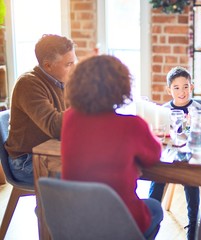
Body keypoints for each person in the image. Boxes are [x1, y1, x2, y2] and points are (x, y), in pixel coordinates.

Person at [61, 55, 163, 239]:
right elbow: (154, 155)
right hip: (119, 219)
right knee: (155, 207)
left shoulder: (69, 118)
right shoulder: (132, 125)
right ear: (121, 87)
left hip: (78, 218)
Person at [5, 34, 77, 185]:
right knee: (85, 173)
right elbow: (55, 127)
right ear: (48, 65)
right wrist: (84, 101)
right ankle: (52, 209)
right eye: (69, 64)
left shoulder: (61, 80)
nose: (74, 68)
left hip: (50, 153)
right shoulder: (29, 85)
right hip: (26, 161)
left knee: (97, 165)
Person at [149, 66, 201, 240]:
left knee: (191, 182)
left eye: (185, 86)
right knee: (157, 179)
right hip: (167, 157)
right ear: (169, 90)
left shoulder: (199, 111)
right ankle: (150, 223)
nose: (182, 91)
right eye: (176, 87)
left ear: (192, 87)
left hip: (190, 158)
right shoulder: (163, 111)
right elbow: (158, 135)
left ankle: (193, 230)